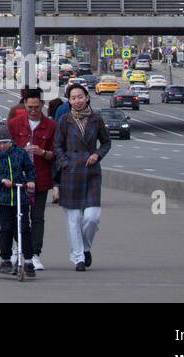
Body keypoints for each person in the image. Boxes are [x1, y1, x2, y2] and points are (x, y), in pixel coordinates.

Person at [54, 82, 111, 272]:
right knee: (74, 219)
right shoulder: (64, 120)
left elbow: (106, 143)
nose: (77, 101)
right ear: (69, 101)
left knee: (92, 217)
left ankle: (85, 248)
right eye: (73, 98)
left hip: (92, 172)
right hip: (70, 174)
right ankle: (78, 257)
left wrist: (97, 155)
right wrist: (64, 163)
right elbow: (57, 146)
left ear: (87, 97)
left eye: (80, 97)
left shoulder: (96, 119)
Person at [7, 89, 56, 270]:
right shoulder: (14, 124)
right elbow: (4, 149)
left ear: (42, 105)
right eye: (29, 107)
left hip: (40, 179)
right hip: (18, 179)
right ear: (24, 105)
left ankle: (34, 254)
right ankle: (18, 249)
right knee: (17, 216)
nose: (33, 110)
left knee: (37, 218)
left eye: (36, 107)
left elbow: (56, 154)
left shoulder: (51, 126)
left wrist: (42, 152)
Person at [0, 122, 37, 277]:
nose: (2, 146)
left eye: (5, 143)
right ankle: (5, 258)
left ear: (10, 141)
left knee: (24, 228)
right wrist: (0, 180)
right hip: (3, 199)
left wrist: (31, 180)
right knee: (6, 228)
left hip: (21, 196)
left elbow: (30, 169)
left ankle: (28, 260)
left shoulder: (20, 153)